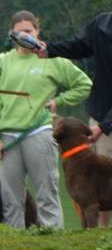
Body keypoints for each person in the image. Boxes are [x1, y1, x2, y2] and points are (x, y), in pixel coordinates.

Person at [0, 10, 92, 229]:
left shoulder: (53, 60)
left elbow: (84, 84)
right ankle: (14, 240)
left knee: (47, 194)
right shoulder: (2, 61)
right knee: (11, 200)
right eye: (18, 33)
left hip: (40, 134)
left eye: (28, 32)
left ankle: (52, 240)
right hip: (8, 138)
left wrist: (59, 100)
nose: (24, 37)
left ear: (37, 31)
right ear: (11, 34)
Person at [35, 11, 112, 225]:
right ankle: (100, 239)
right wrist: (49, 49)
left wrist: (104, 126)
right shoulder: (101, 24)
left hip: (104, 124)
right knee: (98, 188)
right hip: (100, 115)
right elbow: (80, 46)